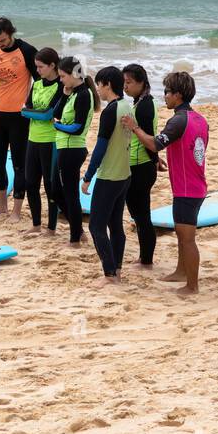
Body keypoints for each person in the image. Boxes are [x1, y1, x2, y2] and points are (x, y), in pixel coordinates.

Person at [141, 70, 208, 294]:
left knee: (187, 238)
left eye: (167, 92)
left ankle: (192, 286)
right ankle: (181, 271)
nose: (165, 96)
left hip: (187, 189)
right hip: (195, 185)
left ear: (178, 95)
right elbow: (185, 147)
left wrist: (134, 127)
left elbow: (155, 143)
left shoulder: (178, 120)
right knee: (182, 234)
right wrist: (163, 159)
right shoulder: (199, 119)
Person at [0, 17, 38, 221]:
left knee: (19, 163)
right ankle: (2, 207)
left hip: (19, 116)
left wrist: (29, 104)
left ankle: (17, 211)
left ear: (11, 33)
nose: (0, 45)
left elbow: (40, 82)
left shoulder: (27, 51)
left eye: (2, 41)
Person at [82, 66, 135, 286]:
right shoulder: (127, 107)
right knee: (115, 226)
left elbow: (101, 148)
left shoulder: (110, 111)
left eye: (99, 85)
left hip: (109, 177)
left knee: (96, 226)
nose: (98, 90)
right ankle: (117, 271)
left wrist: (87, 176)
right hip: (124, 175)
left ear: (108, 85)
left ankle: (110, 274)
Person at [49, 56, 97, 246]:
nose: (60, 80)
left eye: (62, 76)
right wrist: (65, 93)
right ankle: (78, 230)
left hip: (72, 149)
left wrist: (58, 127)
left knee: (70, 195)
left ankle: (75, 238)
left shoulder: (85, 94)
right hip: (64, 148)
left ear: (73, 74)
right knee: (55, 192)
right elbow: (56, 114)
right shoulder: (74, 93)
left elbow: (77, 127)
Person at [19, 46, 62, 235]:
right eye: (36, 67)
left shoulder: (61, 86)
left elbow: (48, 115)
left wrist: (30, 112)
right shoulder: (37, 84)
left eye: (41, 67)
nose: (37, 70)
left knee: (50, 185)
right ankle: (36, 224)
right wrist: (32, 112)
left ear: (52, 66)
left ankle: (51, 228)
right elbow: (23, 110)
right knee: (30, 183)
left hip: (50, 140)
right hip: (32, 138)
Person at [119, 64, 158, 269]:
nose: (125, 86)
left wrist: (153, 159)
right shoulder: (140, 102)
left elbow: (149, 138)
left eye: (129, 82)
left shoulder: (144, 106)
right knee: (138, 214)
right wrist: (156, 157)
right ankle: (144, 257)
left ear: (141, 83)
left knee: (142, 215)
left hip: (141, 167)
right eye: (124, 82)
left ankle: (146, 260)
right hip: (139, 164)